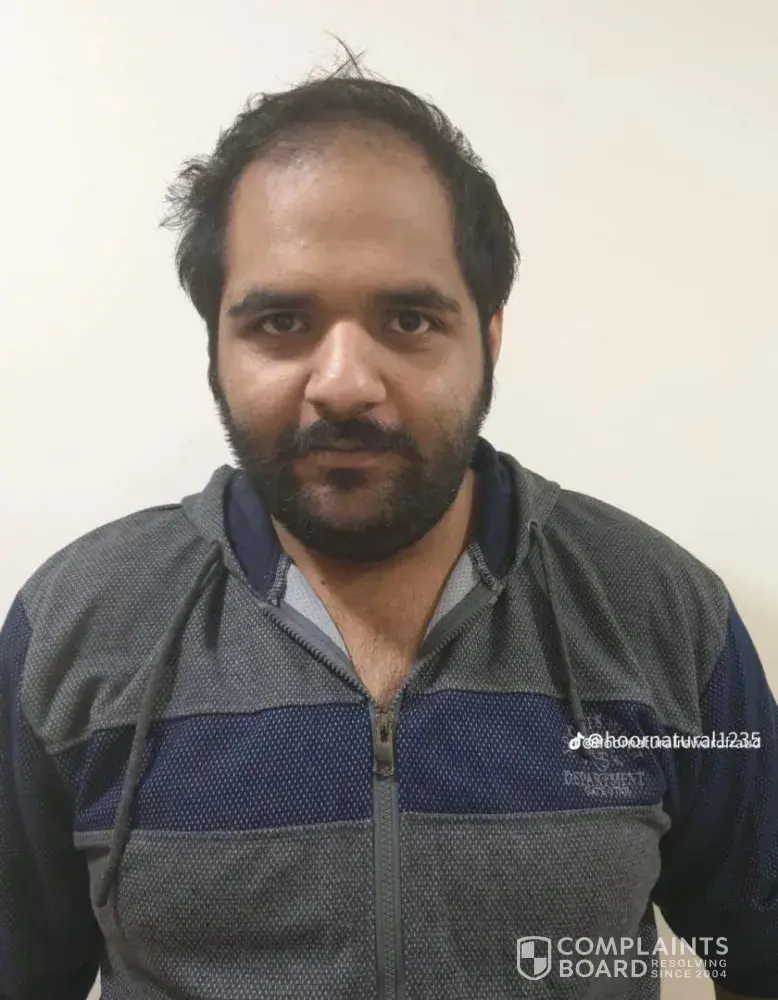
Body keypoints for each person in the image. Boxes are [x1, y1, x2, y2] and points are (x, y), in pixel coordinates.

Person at [1, 41, 776, 1000]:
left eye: (408, 320)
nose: (343, 383)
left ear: (489, 337)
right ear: (215, 346)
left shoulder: (664, 614)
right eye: (281, 322)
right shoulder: (75, 626)